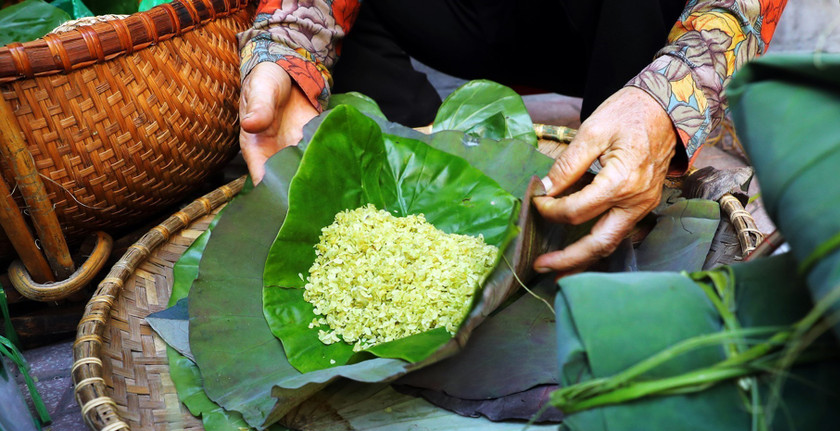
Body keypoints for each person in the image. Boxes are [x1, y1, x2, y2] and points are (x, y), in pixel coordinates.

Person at [236, 0, 786, 274]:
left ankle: (612, 168)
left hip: (618, 18)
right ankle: (422, 158)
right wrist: (291, 40)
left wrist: (669, 97)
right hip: (480, 13)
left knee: (618, 195)